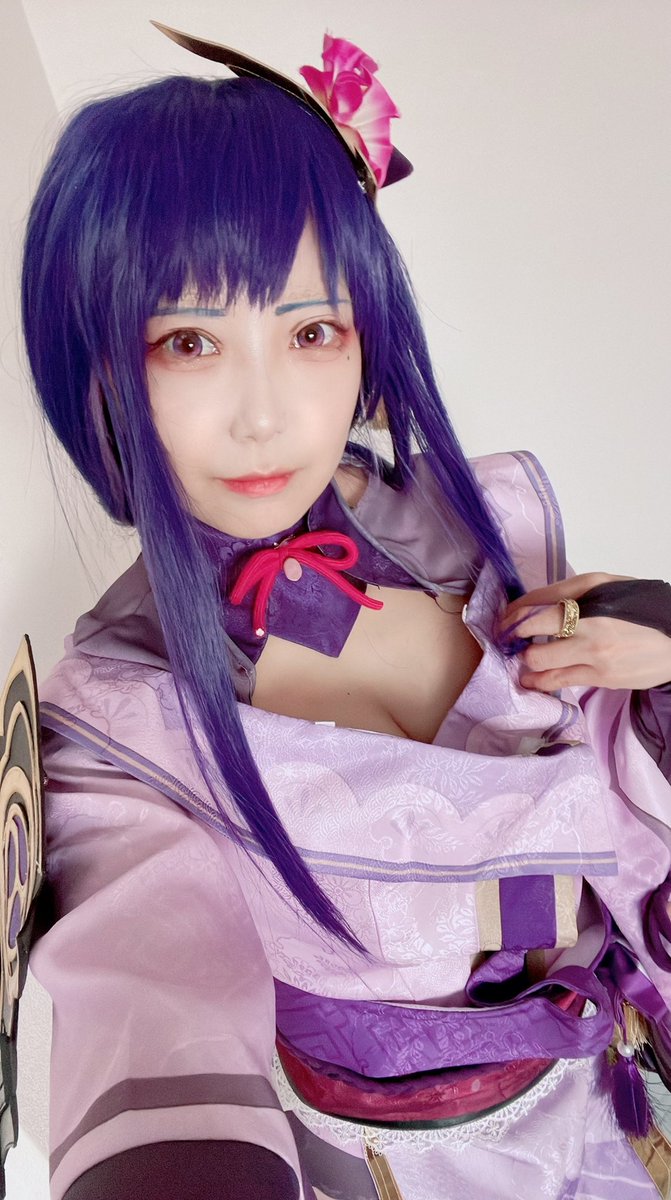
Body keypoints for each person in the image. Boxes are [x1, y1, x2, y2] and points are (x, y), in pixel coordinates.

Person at [16, 24, 671, 1200]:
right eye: (188, 341)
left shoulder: (488, 541)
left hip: (628, 1112)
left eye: (310, 331)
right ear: (98, 365)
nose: (266, 415)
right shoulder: (116, 729)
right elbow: (150, 1004)